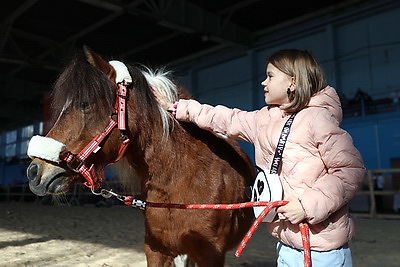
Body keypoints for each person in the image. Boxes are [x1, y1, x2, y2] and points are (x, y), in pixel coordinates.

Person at [159, 49, 365, 266]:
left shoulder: (318, 119)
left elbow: (350, 170)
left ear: (292, 82)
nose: (263, 83)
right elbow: (225, 118)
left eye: (270, 76)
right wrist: (177, 107)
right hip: (285, 243)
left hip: (323, 250)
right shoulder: (264, 120)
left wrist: (307, 206)